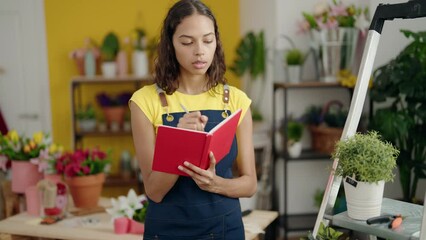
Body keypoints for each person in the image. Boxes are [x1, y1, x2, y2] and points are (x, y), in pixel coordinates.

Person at [129, 0, 257, 239]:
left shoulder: (237, 101)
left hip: (224, 229)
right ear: (171, 45)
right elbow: (154, 191)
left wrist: (215, 183)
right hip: (167, 231)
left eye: (208, 40)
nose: (200, 51)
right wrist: (180, 141)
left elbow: (249, 185)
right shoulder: (144, 102)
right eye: (187, 42)